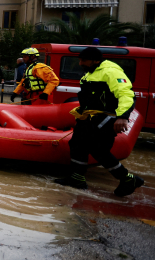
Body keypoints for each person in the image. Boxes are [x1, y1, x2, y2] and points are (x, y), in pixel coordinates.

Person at [54, 47, 144, 197]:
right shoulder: (90, 73)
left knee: (98, 149)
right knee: (76, 144)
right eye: (80, 59)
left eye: (84, 60)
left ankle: (128, 179)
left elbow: (126, 94)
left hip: (106, 116)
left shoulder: (111, 72)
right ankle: (77, 177)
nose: (80, 62)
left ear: (96, 60)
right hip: (89, 116)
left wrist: (122, 116)